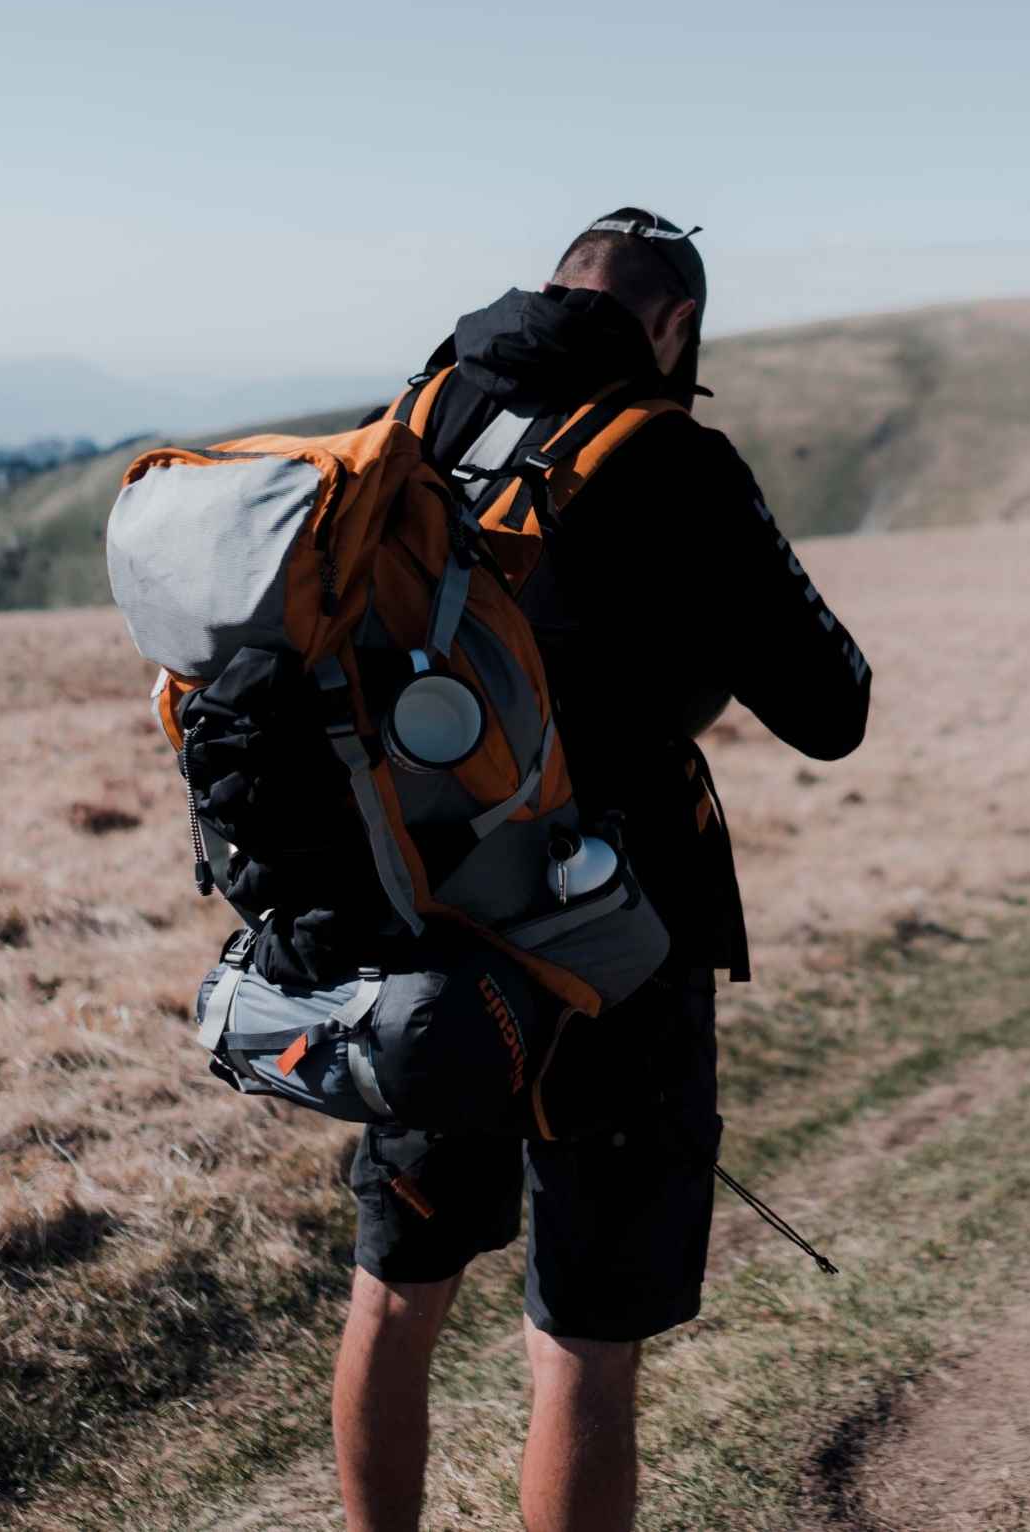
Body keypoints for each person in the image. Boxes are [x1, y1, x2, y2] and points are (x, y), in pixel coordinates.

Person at [331, 208, 872, 1532]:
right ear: (674, 326)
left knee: (395, 1294)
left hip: (420, 923)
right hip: (612, 945)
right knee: (579, 1342)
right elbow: (831, 705)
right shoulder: (672, 455)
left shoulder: (423, 417)